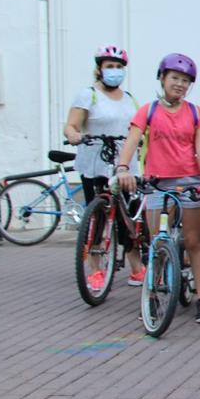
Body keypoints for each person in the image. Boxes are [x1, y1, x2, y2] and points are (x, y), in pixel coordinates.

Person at [114, 54, 200, 323]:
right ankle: (152, 293)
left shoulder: (196, 113)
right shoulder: (148, 111)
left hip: (190, 182)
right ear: (162, 79)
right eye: (175, 78)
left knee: (194, 242)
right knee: (157, 243)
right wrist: (123, 168)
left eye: (185, 81)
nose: (180, 84)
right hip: (157, 183)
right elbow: (132, 140)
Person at [63, 45, 143, 289]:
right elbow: (71, 125)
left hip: (125, 165)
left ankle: (137, 268)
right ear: (99, 69)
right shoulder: (89, 95)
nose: (114, 71)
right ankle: (96, 269)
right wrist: (74, 135)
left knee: (129, 217)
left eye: (119, 67)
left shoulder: (130, 98)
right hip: (95, 163)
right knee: (97, 217)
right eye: (110, 66)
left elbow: (138, 129)